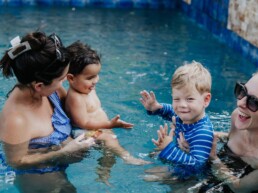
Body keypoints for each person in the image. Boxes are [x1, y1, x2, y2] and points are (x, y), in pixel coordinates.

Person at [0, 31, 95, 193]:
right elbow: (16, 162)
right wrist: (63, 152)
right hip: (38, 174)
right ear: (39, 85)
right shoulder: (17, 119)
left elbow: (77, 115)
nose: (64, 81)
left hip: (59, 159)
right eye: (61, 78)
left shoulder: (53, 92)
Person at [65, 41, 150, 167]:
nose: (95, 81)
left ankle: (104, 173)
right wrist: (109, 124)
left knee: (109, 153)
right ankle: (127, 157)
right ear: (71, 78)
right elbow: (83, 123)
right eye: (90, 78)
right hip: (83, 132)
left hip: (100, 128)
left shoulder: (87, 88)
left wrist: (107, 126)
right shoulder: (76, 98)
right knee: (109, 140)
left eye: (96, 75)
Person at [140, 61, 214, 180]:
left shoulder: (202, 133)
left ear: (206, 100)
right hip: (180, 156)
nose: (182, 105)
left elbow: (197, 166)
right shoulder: (187, 115)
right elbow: (171, 111)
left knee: (147, 176)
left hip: (190, 176)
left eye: (189, 99)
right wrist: (157, 108)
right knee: (147, 165)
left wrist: (168, 147)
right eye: (176, 99)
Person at [208, 72, 258, 193]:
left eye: (254, 102)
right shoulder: (238, 117)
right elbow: (229, 137)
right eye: (242, 91)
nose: (240, 103)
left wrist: (213, 158)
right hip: (214, 174)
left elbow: (238, 187)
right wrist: (209, 137)